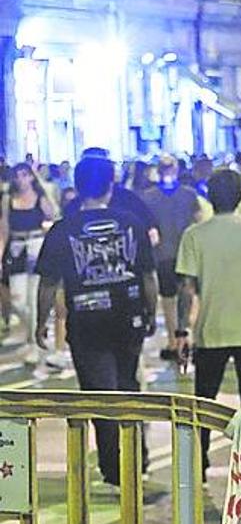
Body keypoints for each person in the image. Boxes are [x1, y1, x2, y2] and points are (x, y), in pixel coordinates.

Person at [33, 156, 157, 489]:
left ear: (77, 186)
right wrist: (150, 312)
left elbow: (48, 282)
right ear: (111, 185)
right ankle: (137, 456)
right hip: (127, 318)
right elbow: (148, 275)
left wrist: (41, 322)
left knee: (100, 395)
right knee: (129, 386)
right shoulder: (131, 223)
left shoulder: (63, 230)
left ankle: (114, 467)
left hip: (86, 323)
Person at [175, 169, 241, 476]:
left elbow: (187, 289)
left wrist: (182, 330)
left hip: (211, 329)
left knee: (205, 400)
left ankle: (200, 460)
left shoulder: (195, 234)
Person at [141, 154, 205, 362]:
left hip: (164, 254)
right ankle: (185, 337)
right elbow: (200, 221)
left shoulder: (148, 197)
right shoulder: (189, 194)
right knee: (186, 295)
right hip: (181, 254)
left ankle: (174, 340)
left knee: (171, 298)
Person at [2, 162, 58, 367]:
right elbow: (4, 228)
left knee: (34, 298)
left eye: (25, 175)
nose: (21, 179)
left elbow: (52, 217)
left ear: (31, 177)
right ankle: (31, 333)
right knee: (17, 299)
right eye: (17, 175)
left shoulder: (41, 197)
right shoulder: (9, 200)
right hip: (16, 248)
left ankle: (35, 342)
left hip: (36, 244)